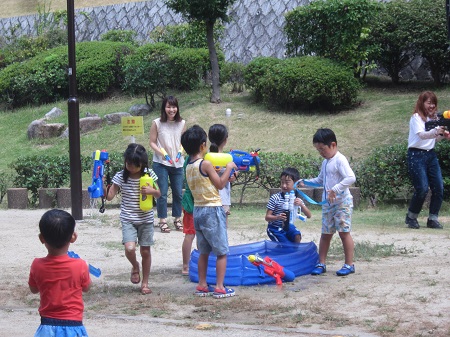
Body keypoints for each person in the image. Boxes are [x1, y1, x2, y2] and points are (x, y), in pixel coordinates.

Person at [181, 125, 237, 299]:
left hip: (198, 210)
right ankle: (220, 287)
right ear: (203, 145)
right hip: (213, 209)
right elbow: (220, 184)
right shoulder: (205, 163)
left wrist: (217, 172)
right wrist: (228, 168)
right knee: (221, 251)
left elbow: (206, 181)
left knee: (203, 251)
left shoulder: (189, 166)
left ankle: (202, 285)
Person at [300, 128, 356, 277]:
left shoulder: (340, 159)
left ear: (333, 145)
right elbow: (320, 180)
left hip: (342, 203)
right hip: (328, 205)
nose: (321, 153)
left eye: (322, 149)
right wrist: (305, 182)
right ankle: (321, 263)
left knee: (344, 233)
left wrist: (335, 189)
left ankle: (349, 264)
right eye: (318, 150)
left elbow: (351, 177)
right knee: (325, 234)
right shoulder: (326, 162)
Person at [106, 143, 161, 295]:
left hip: (146, 219)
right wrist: (103, 185)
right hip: (128, 218)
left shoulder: (149, 174)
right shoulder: (120, 176)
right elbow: (109, 196)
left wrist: (152, 191)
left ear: (142, 164)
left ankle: (145, 283)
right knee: (129, 248)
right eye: (128, 163)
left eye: (134, 165)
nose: (130, 167)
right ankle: (135, 265)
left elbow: (159, 193)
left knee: (145, 251)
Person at [29, 209, 91, 337]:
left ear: (42, 238)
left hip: (46, 327)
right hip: (74, 326)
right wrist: (86, 269)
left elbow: (34, 289)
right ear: (73, 237)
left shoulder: (37, 265)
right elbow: (86, 287)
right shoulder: (80, 265)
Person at [405, 91, 450, 229]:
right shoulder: (416, 118)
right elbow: (423, 135)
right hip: (416, 155)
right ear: (422, 103)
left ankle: (433, 219)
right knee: (422, 188)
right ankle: (411, 216)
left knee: (439, 187)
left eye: (434, 103)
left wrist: (443, 134)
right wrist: (437, 131)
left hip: (430, 154)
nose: (432, 106)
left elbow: (434, 139)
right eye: (429, 103)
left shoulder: (435, 119)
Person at [149, 95, 186, 233]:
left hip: (178, 163)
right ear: (164, 108)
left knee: (178, 193)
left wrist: (181, 151)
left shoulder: (182, 123)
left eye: (174, 106)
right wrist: (162, 153)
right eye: (168, 106)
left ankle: (177, 219)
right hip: (161, 163)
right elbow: (152, 142)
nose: (172, 109)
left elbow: (184, 141)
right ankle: (162, 220)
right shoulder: (157, 123)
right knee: (162, 192)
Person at [265, 167, 312, 243]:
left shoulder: (297, 200)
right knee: (286, 246)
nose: (284, 186)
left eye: (287, 183)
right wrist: (277, 217)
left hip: (288, 227)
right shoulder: (275, 198)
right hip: (275, 228)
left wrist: (301, 205)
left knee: (297, 236)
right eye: (282, 182)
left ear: (296, 184)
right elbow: (267, 217)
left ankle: (294, 252)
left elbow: (309, 215)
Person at [208, 124, 237, 224]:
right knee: (222, 231)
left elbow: (230, 177)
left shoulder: (206, 156)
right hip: (220, 199)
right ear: (225, 139)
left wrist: (234, 174)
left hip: (208, 199)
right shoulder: (227, 158)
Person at [181, 155, 195, 275]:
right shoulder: (196, 161)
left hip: (190, 202)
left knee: (190, 234)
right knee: (190, 235)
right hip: (193, 203)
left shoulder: (188, 159)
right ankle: (185, 266)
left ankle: (187, 265)